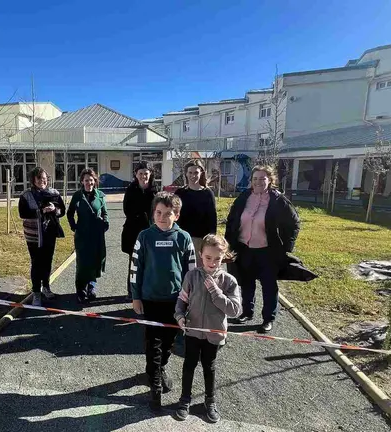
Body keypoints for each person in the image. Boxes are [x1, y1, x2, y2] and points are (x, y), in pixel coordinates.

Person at [129, 192, 196, 412]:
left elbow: (191, 272)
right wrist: (136, 296)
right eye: (158, 213)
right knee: (153, 344)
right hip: (149, 299)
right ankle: (155, 385)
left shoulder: (184, 238)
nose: (162, 217)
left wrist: (190, 300)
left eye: (168, 214)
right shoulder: (144, 237)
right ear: (153, 213)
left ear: (176, 215)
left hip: (176, 301)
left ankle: (161, 367)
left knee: (169, 341)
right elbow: (135, 268)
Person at [174, 234, 241, 423]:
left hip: (214, 335)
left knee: (209, 367)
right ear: (200, 254)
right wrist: (179, 316)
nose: (212, 262)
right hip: (193, 332)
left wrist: (215, 291)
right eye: (208, 257)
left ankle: (209, 402)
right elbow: (182, 300)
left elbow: (235, 310)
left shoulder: (229, 281)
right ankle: (184, 399)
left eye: (217, 259)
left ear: (224, 257)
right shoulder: (192, 276)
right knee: (189, 365)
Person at [224, 165, 300, 333]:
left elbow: (294, 223)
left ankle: (268, 319)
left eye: (262, 179)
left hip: (267, 251)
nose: (258, 182)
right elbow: (232, 219)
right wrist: (230, 241)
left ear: (270, 180)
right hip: (245, 249)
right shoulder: (244, 197)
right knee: (246, 283)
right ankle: (246, 312)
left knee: (269, 286)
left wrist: (286, 247)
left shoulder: (278, 200)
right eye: (255, 179)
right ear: (251, 181)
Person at [19, 167, 66, 306]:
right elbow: (23, 213)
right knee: (36, 263)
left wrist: (55, 210)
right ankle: (36, 293)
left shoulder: (54, 193)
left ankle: (46, 287)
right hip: (33, 235)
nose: (42, 181)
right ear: (33, 180)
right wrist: (41, 211)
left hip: (49, 233)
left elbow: (62, 210)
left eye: (44, 178)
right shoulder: (26, 195)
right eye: (39, 178)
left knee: (47, 261)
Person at [67, 168, 109, 303]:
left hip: (96, 235)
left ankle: (91, 286)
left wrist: (105, 223)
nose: (89, 183)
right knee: (82, 262)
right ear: (82, 181)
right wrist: (74, 226)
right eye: (86, 180)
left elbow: (104, 213)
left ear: (94, 181)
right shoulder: (78, 196)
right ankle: (80, 288)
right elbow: (70, 213)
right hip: (82, 235)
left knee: (95, 260)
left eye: (91, 180)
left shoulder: (101, 195)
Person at [121, 161, 158, 299]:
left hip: (152, 232)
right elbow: (127, 210)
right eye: (140, 173)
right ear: (136, 175)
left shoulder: (155, 190)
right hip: (134, 233)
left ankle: (147, 290)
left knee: (150, 264)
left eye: (146, 173)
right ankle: (131, 291)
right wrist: (141, 216)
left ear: (150, 174)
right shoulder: (131, 190)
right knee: (134, 264)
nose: (143, 176)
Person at [175, 160, 218, 253]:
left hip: (200, 240)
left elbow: (212, 218)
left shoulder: (207, 193)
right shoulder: (180, 193)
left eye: (196, 173)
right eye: (190, 172)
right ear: (186, 173)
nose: (193, 176)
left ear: (201, 173)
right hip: (181, 238)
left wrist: (212, 239)